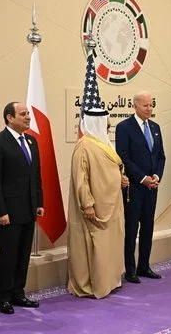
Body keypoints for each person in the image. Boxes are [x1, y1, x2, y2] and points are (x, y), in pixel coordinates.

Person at [0, 102, 44, 314]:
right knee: (8, 256)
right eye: (23, 114)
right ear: (9, 117)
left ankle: (18, 293)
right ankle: (3, 297)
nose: (28, 117)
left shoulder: (31, 141)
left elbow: (35, 175)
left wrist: (39, 202)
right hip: (8, 212)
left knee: (23, 254)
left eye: (28, 114)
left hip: (28, 209)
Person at [67, 108, 129, 298]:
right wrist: (87, 204)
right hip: (95, 207)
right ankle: (92, 284)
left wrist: (120, 178)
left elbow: (111, 167)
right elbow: (81, 178)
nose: (108, 126)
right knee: (95, 245)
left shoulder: (104, 144)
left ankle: (109, 280)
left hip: (112, 203)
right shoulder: (84, 146)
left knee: (111, 244)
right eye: (106, 123)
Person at [115, 91, 166, 283]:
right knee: (131, 228)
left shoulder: (155, 127)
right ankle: (130, 269)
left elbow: (161, 155)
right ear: (135, 106)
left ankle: (145, 265)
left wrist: (156, 176)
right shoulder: (124, 127)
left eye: (151, 105)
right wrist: (143, 178)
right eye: (145, 105)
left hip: (152, 187)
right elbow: (124, 157)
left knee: (148, 226)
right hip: (134, 188)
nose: (149, 109)